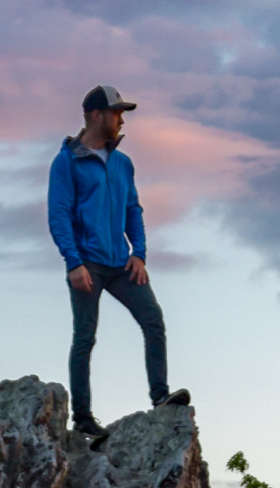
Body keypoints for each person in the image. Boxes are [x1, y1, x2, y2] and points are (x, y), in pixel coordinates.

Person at [46, 84, 188, 440]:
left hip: (121, 264)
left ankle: (161, 398)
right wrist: (73, 262)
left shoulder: (123, 164)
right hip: (87, 264)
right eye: (117, 112)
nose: (122, 119)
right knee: (85, 337)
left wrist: (139, 253)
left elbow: (132, 210)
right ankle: (82, 419)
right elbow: (59, 214)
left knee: (153, 320)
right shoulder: (67, 162)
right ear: (97, 115)